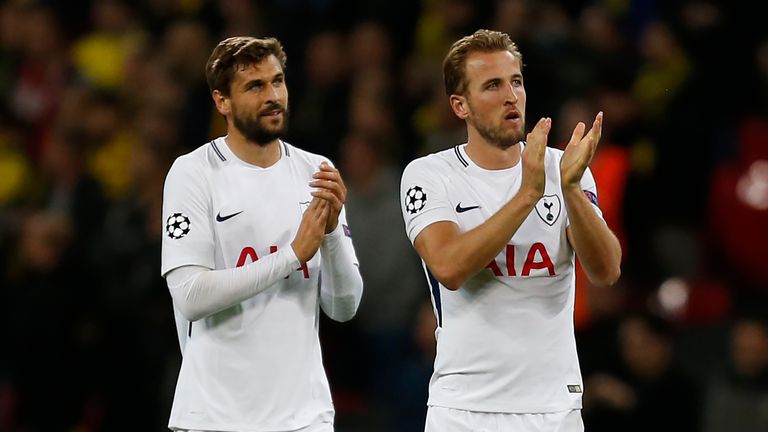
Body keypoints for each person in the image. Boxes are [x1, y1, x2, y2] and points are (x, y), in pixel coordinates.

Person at [399, 29, 622, 431]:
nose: (511, 96)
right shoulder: (430, 175)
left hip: (555, 409)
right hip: (464, 410)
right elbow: (448, 267)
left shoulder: (565, 170)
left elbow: (606, 271)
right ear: (460, 105)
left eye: (516, 81)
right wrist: (526, 196)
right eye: (492, 85)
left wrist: (570, 189)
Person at [160, 36, 363, 432]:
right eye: (255, 86)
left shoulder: (315, 171)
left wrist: (333, 233)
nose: (273, 95)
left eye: (278, 81)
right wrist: (291, 256)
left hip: (305, 417)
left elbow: (344, 307)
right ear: (222, 101)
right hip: (216, 416)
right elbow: (191, 297)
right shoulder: (193, 173)